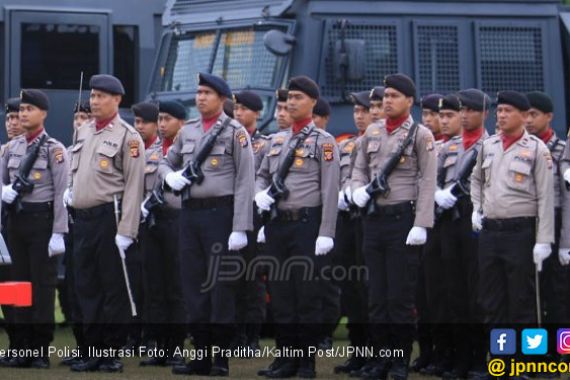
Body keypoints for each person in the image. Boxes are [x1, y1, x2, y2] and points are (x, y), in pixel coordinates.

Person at [161, 72, 255, 377]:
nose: (200, 97)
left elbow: (245, 179)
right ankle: (200, 355)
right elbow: (166, 160)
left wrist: (240, 226)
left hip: (221, 215)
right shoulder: (187, 131)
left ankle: (221, 359)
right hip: (190, 215)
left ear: (222, 98)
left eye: (207, 93)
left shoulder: (235, 132)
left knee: (220, 289)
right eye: (198, 92)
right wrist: (168, 176)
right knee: (193, 287)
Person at [351, 73, 437, 380]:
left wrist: (422, 223)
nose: (387, 100)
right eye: (385, 95)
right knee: (376, 296)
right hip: (374, 220)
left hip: (403, 221)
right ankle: (379, 360)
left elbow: (428, 180)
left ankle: (399, 361)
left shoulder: (420, 135)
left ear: (409, 101)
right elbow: (359, 168)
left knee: (399, 298)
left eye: (394, 96)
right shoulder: (372, 132)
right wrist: (356, 189)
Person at [255, 76, 339, 378]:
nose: (291, 102)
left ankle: (306, 363)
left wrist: (326, 231)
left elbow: (330, 188)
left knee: (307, 297)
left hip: (307, 226)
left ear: (313, 103)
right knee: (281, 296)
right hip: (279, 225)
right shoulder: (276, 140)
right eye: (289, 97)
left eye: (298, 97)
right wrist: (259, 194)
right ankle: (286, 359)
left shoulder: (324, 142)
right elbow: (261, 175)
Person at [67, 74, 145, 373]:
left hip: (109, 218)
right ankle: (92, 350)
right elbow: (77, 172)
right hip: (83, 220)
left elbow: (135, 186)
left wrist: (128, 231)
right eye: (93, 96)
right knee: (86, 288)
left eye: (101, 97)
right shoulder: (83, 131)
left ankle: (111, 352)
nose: (94, 101)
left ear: (117, 100)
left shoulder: (128, 136)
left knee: (113, 289)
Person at [471, 91, 554, 328]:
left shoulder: (537, 149)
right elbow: (475, 180)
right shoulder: (489, 146)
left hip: (520, 233)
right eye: (499, 111)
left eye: (508, 111)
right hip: (490, 233)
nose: (502, 116)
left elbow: (546, 197)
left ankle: (525, 362)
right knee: (492, 302)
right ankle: (503, 360)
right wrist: (477, 208)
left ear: (524, 115)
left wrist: (544, 240)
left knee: (522, 303)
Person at [1, 89, 69, 368]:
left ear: (43, 114)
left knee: (42, 288)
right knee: (16, 287)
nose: (23, 114)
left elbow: (62, 193)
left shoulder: (54, 149)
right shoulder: (10, 149)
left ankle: (40, 349)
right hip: (15, 223)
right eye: (22, 110)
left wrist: (58, 232)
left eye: (29, 109)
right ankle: (19, 345)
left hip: (42, 224)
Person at [436, 92, 488, 379]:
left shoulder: (490, 146)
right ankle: (460, 359)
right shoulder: (450, 147)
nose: (465, 114)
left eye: (470, 110)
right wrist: (437, 194)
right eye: (462, 109)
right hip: (449, 221)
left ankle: (479, 360)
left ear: (484, 114)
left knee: (476, 293)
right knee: (453, 291)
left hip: (474, 219)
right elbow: (433, 177)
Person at [135, 100, 187, 367]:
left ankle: (175, 345)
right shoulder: (152, 151)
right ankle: (158, 346)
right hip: (152, 223)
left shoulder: (190, 151)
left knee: (175, 287)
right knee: (154, 287)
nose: (163, 124)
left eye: (168, 119)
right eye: (161, 119)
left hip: (178, 222)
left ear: (182, 122)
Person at [525, 91, 567, 359]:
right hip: (528, 224)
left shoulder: (562, 150)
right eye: (525, 114)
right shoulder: (522, 149)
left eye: (534, 115)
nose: (528, 120)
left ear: (549, 117)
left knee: (558, 294)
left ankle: (560, 352)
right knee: (532, 294)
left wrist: (566, 243)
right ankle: (537, 353)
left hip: (556, 224)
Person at [333, 90, 371, 375]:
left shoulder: (384, 144)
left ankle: (377, 353)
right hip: (347, 221)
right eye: (356, 111)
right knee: (351, 289)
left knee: (373, 290)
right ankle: (358, 353)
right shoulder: (346, 144)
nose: (359, 116)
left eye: (365, 111)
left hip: (370, 220)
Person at [232, 90, 269, 352]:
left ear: (257, 113)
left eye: (244, 109)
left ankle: (252, 336)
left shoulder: (264, 145)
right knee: (229, 276)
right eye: (236, 108)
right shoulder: (226, 140)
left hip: (254, 216)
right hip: (228, 214)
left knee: (252, 278)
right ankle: (234, 335)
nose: (238, 113)